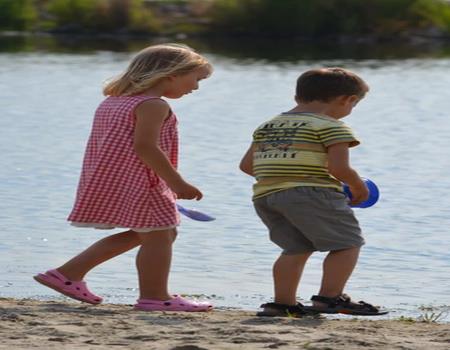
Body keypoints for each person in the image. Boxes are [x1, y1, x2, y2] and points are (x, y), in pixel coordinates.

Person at [34, 43, 213, 312]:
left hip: (112, 177)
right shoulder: (153, 105)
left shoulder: (115, 101)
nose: (196, 87)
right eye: (195, 79)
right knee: (160, 235)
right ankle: (155, 296)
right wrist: (177, 182)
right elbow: (146, 147)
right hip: (142, 180)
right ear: (171, 74)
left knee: (156, 233)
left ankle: (68, 273)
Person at [239, 67, 387, 317]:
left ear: (298, 97)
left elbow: (246, 166)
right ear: (346, 100)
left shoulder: (269, 124)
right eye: (354, 105)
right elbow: (339, 168)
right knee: (347, 243)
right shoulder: (332, 126)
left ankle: (281, 304)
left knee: (295, 248)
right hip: (312, 194)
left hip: (266, 195)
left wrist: (285, 178)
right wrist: (358, 187)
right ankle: (329, 298)